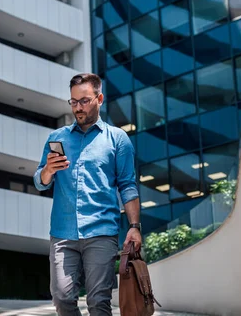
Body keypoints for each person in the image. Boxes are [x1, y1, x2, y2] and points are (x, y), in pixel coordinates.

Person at [33, 73, 141, 316]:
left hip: (101, 232)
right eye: (73, 102)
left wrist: (135, 226)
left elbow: (127, 185)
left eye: (84, 101)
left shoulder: (117, 139)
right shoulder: (56, 138)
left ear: (99, 98)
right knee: (61, 298)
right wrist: (48, 170)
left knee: (99, 302)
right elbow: (39, 182)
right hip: (62, 232)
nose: (78, 108)